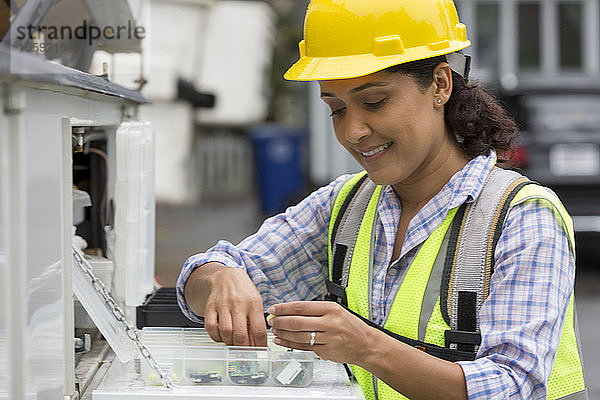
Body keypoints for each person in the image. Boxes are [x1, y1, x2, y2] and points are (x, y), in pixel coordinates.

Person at [177, 1, 587, 399]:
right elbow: (202, 283)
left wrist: (367, 347)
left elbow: (513, 386)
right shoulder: (346, 205)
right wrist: (221, 277)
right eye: (336, 109)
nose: (353, 131)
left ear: (440, 85)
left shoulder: (522, 217)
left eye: (375, 102)